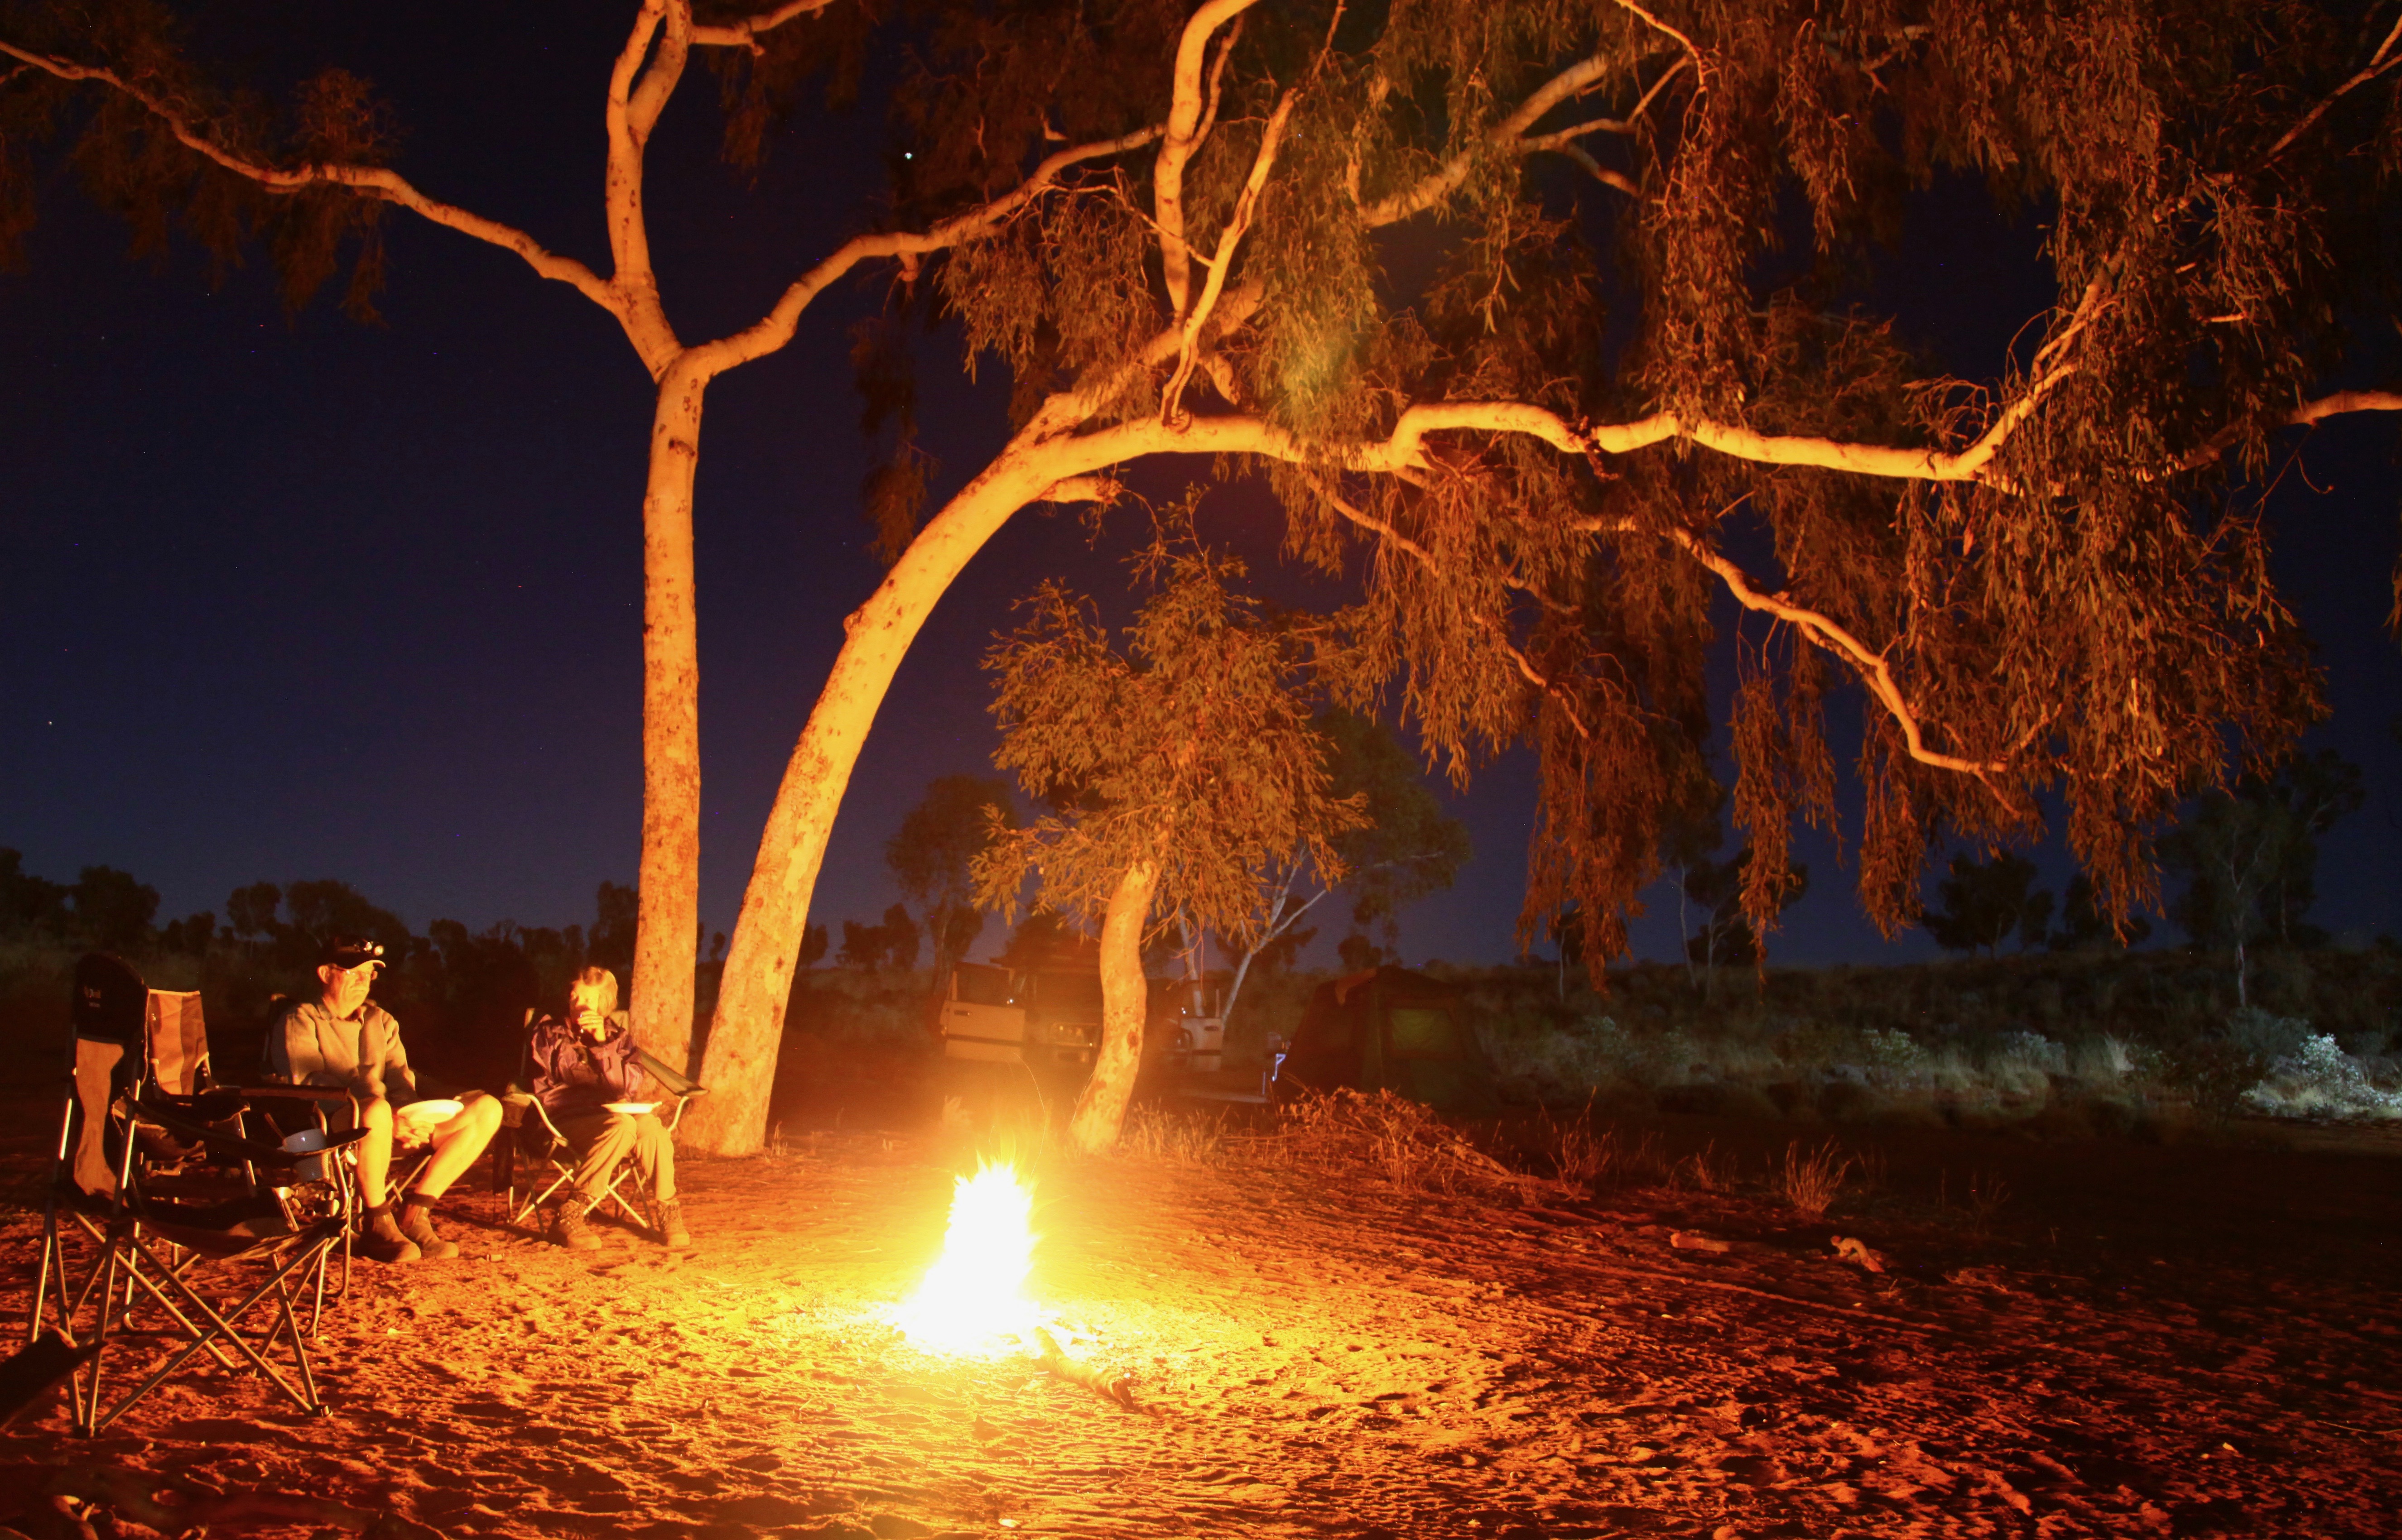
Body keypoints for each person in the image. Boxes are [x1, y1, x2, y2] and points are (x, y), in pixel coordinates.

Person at [264, 936, 503, 1264]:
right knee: (374, 1108)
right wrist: (388, 1116)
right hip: (328, 1125)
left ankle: (415, 1215)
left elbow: (400, 1079)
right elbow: (309, 1082)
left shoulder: (382, 1021)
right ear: (325, 973)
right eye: (354, 971)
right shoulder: (301, 1019)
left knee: (487, 1108)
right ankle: (376, 1221)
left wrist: (412, 1117)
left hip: (387, 1123)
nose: (364, 980)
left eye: (370, 973)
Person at [527, 967, 691, 1251]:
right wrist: (585, 1043)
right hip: (566, 1118)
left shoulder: (619, 1037)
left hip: (612, 1116)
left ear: (603, 1004)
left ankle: (668, 1211)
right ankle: (571, 1215)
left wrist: (602, 1044)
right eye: (574, 997)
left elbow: (626, 1087)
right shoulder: (549, 1032)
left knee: (652, 1128)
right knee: (624, 1126)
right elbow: (559, 1079)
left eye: (587, 1000)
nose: (578, 1005)